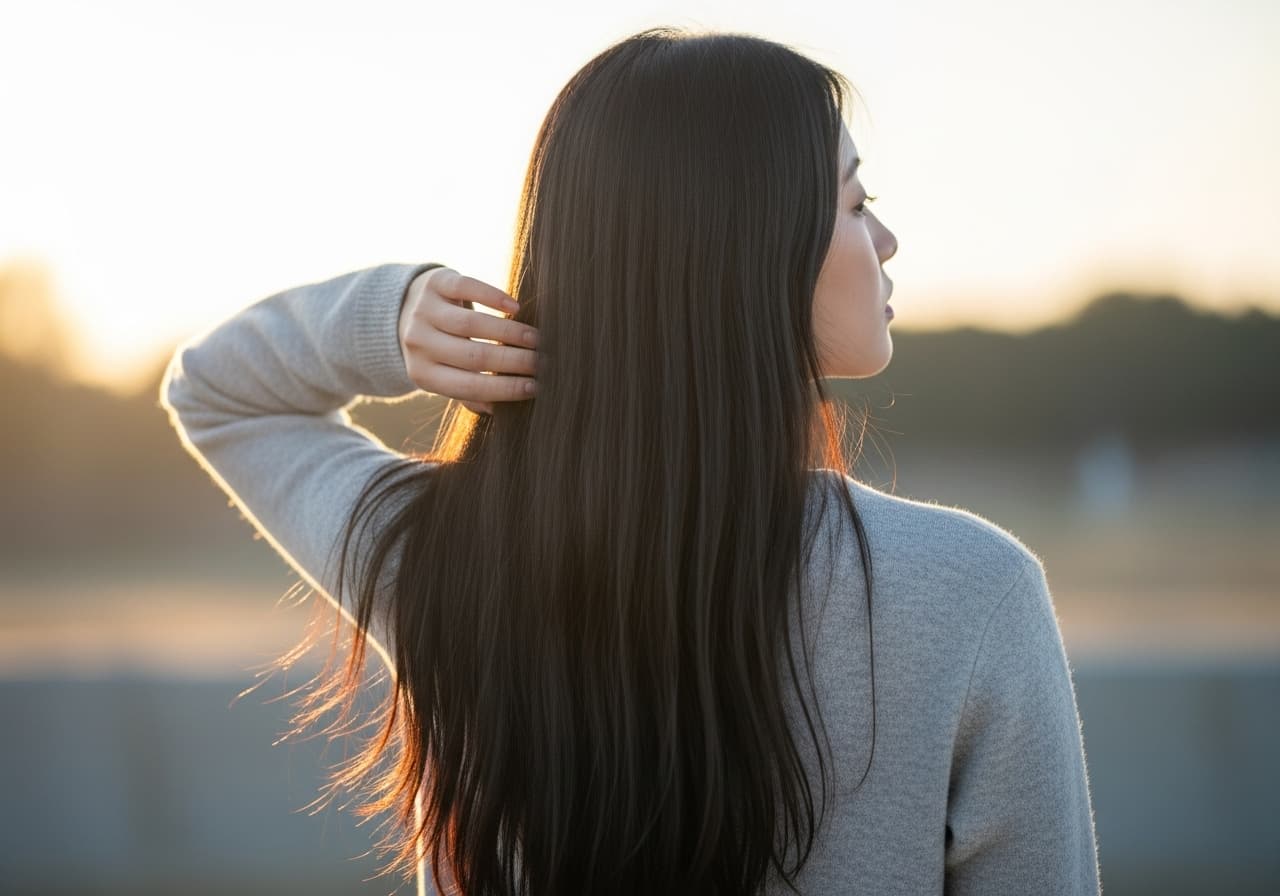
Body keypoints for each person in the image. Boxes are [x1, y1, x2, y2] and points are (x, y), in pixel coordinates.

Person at [159, 26, 1100, 896]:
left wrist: (391, 316)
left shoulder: (448, 560)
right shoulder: (973, 595)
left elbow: (216, 390)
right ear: (745, 250)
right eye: (858, 205)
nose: (887, 241)